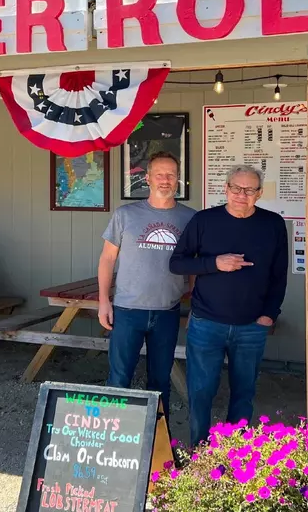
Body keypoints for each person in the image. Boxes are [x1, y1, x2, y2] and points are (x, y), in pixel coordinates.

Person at [169, 165, 288, 447]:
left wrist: (269, 315)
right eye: (236, 188)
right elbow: (177, 263)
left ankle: (236, 456)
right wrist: (215, 263)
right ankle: (199, 452)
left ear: (259, 194)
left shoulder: (272, 224)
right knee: (201, 392)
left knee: (243, 393)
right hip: (206, 323)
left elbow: (278, 274)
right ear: (225, 189)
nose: (241, 195)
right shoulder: (204, 220)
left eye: (249, 190)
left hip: (252, 326)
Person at [97, 152, 196, 420]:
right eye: (159, 174)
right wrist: (104, 301)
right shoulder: (126, 215)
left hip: (168, 310)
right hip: (127, 310)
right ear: (148, 178)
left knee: (160, 383)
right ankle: (114, 441)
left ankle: (158, 444)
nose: (165, 180)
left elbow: (195, 264)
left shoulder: (191, 218)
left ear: (178, 179)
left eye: (171, 174)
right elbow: (107, 259)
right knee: (119, 379)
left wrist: (193, 299)